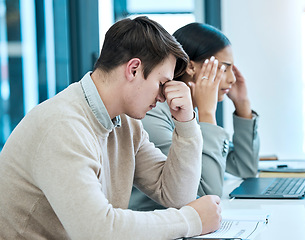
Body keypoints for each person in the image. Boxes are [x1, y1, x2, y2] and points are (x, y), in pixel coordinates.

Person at [0, 17, 222, 239]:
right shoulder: (63, 126)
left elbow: (176, 195)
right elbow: (97, 231)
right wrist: (191, 220)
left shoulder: (125, 123)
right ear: (134, 69)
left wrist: (186, 122)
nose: (164, 97)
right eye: (162, 83)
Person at [129, 22, 260, 211]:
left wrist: (243, 106)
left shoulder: (189, 110)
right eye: (224, 68)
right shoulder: (153, 113)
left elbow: (245, 168)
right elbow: (206, 193)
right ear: (191, 67)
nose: (232, 79)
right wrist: (208, 113)